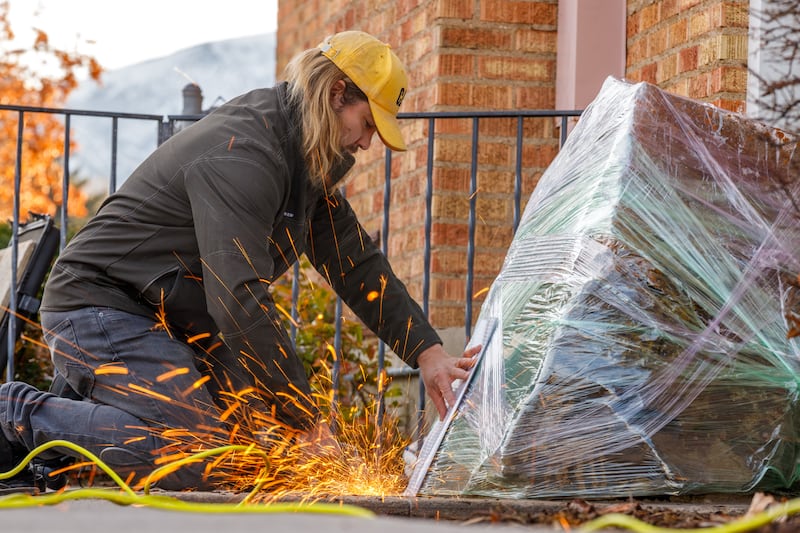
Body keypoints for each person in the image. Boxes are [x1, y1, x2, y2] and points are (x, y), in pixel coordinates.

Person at [0, 30, 479, 492]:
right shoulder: (246, 154)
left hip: (172, 320)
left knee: (252, 456)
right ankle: (15, 409)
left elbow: (356, 265)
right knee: (197, 452)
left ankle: (66, 438)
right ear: (337, 93)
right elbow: (238, 301)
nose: (367, 143)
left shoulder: (303, 161)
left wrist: (428, 353)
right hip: (103, 305)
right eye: (369, 124)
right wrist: (307, 421)